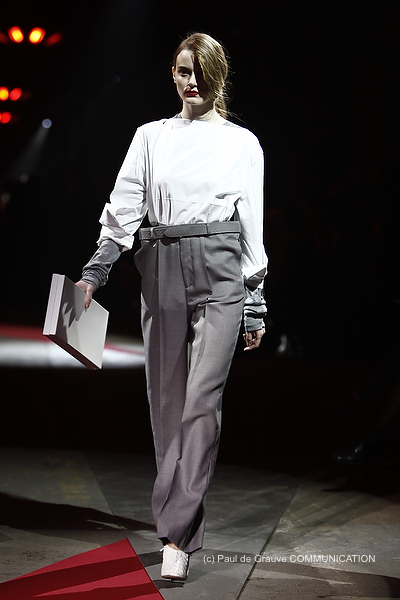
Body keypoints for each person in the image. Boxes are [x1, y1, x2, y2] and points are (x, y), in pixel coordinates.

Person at [76, 32, 268, 581]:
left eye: (201, 72)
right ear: (174, 73)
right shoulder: (151, 136)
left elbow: (251, 221)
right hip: (159, 263)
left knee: (200, 402)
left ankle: (175, 534)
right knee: (166, 404)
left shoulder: (242, 143)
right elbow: (123, 207)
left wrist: (255, 300)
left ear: (218, 76)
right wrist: (95, 272)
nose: (191, 82)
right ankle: (179, 526)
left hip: (220, 266)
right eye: (183, 71)